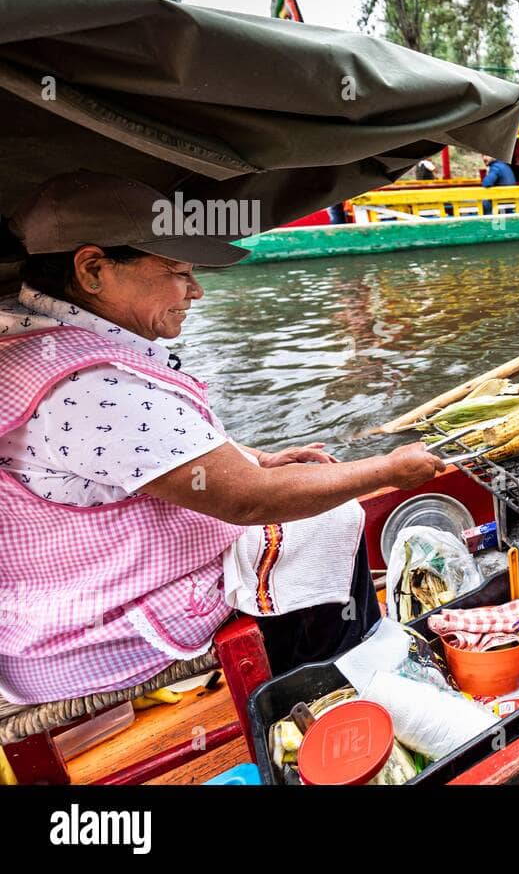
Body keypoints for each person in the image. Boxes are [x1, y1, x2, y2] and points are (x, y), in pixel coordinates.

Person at [0, 173, 446, 705]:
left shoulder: (26, 332)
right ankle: (335, 684)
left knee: (312, 502)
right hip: (93, 630)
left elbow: (137, 451)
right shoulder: (86, 385)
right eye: (178, 272)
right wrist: (390, 469)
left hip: (49, 607)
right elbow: (244, 499)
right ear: (93, 269)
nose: (196, 290)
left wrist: (256, 457)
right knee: (329, 516)